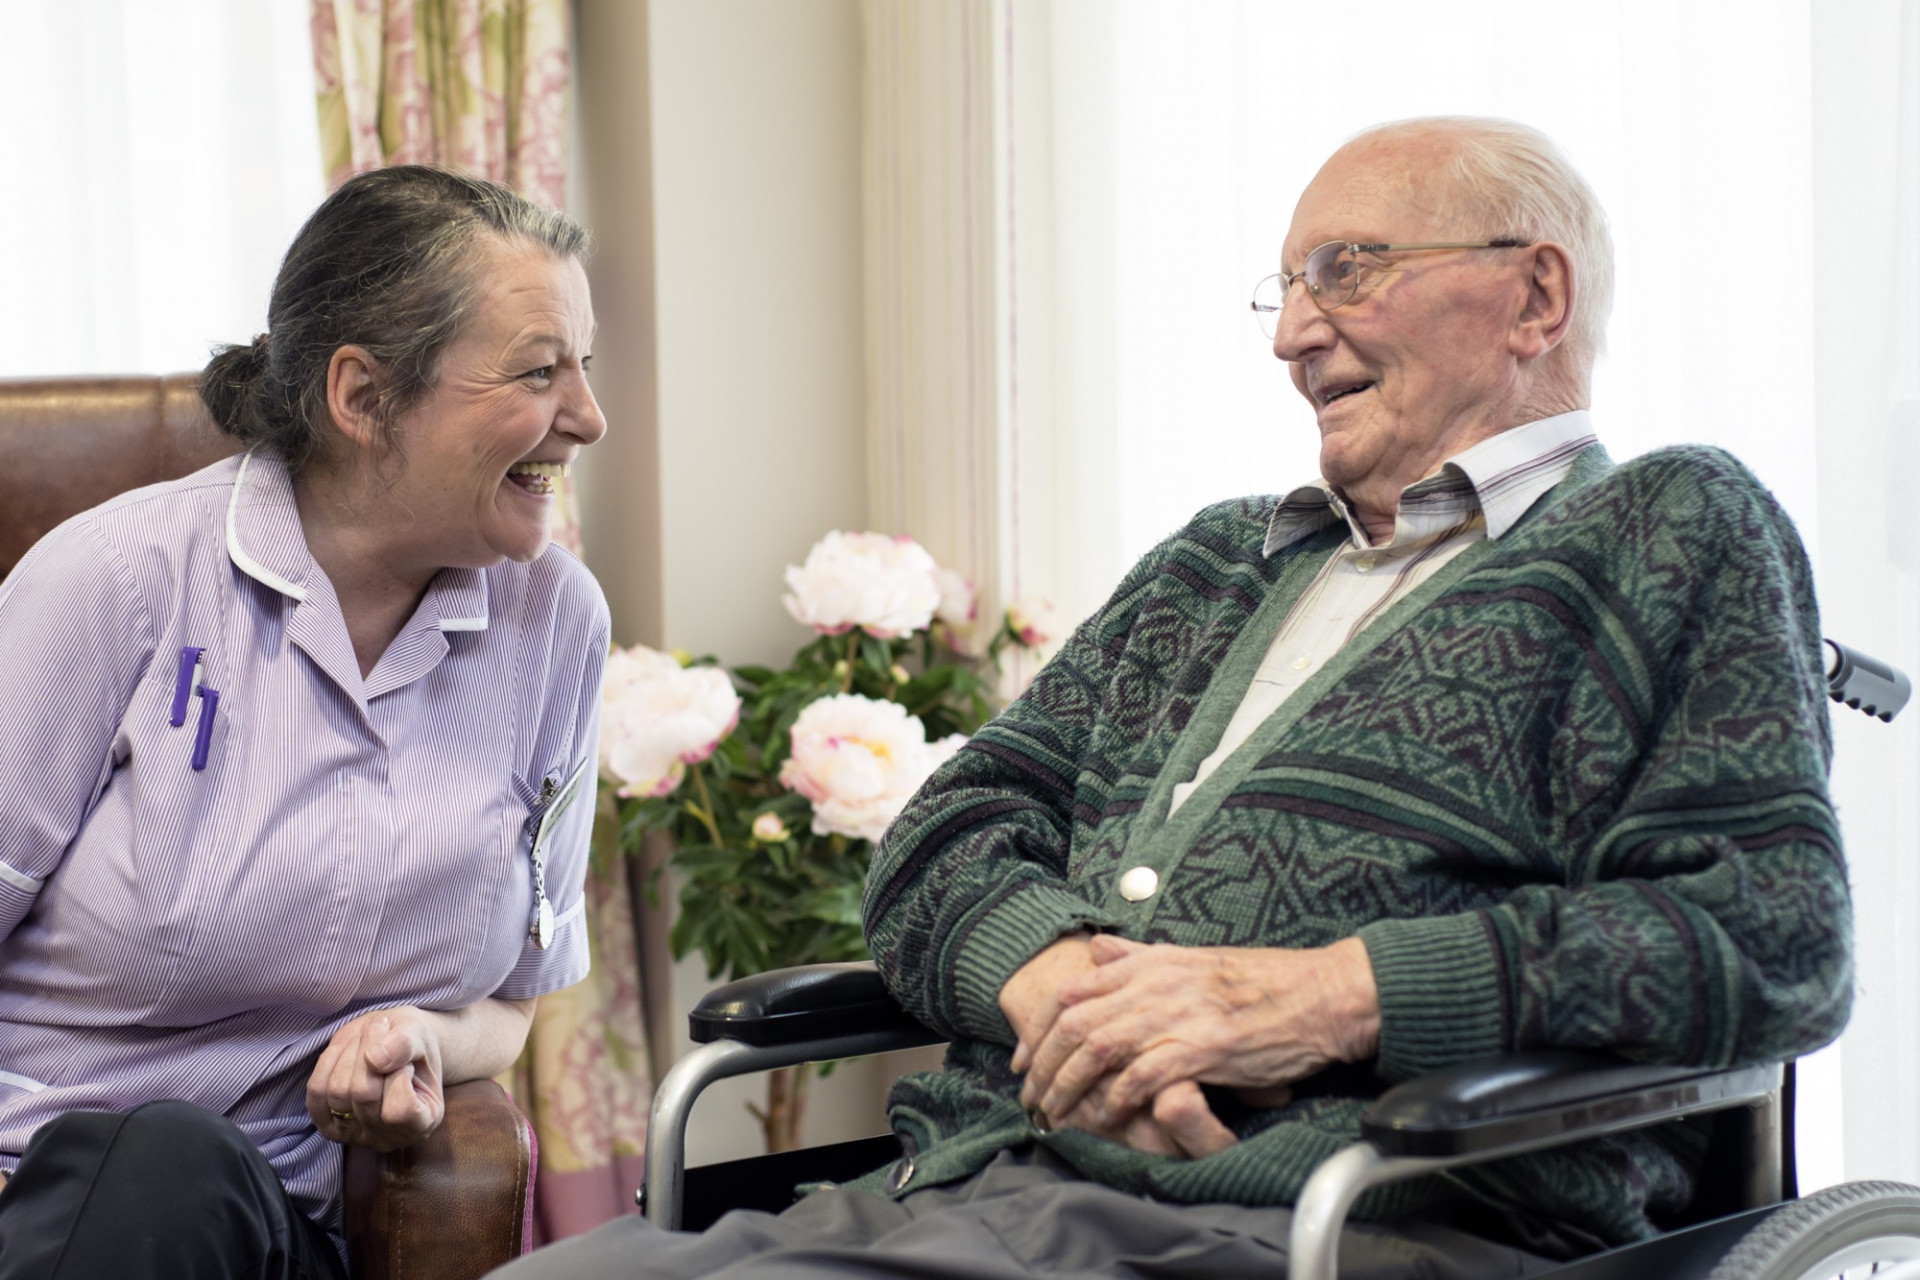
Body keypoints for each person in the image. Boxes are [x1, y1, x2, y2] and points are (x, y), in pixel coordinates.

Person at [496, 117, 1844, 1279]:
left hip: (1326, 1223)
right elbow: (945, 837)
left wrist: (1321, 999)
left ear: (1535, 296)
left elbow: (1774, 936)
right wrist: (1060, 984)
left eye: (1347, 271)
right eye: (1287, 288)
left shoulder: (1668, 528)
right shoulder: (1217, 561)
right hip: (980, 1189)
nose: (1297, 332)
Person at [0, 166, 609, 1278]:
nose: (587, 416)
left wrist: (424, 1037)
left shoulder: (554, 623)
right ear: (363, 397)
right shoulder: (111, 584)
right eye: (537, 370)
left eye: (583, 365)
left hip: (284, 1232)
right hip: (32, 1194)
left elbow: (511, 1001)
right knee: (162, 1167)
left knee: (188, 1174)